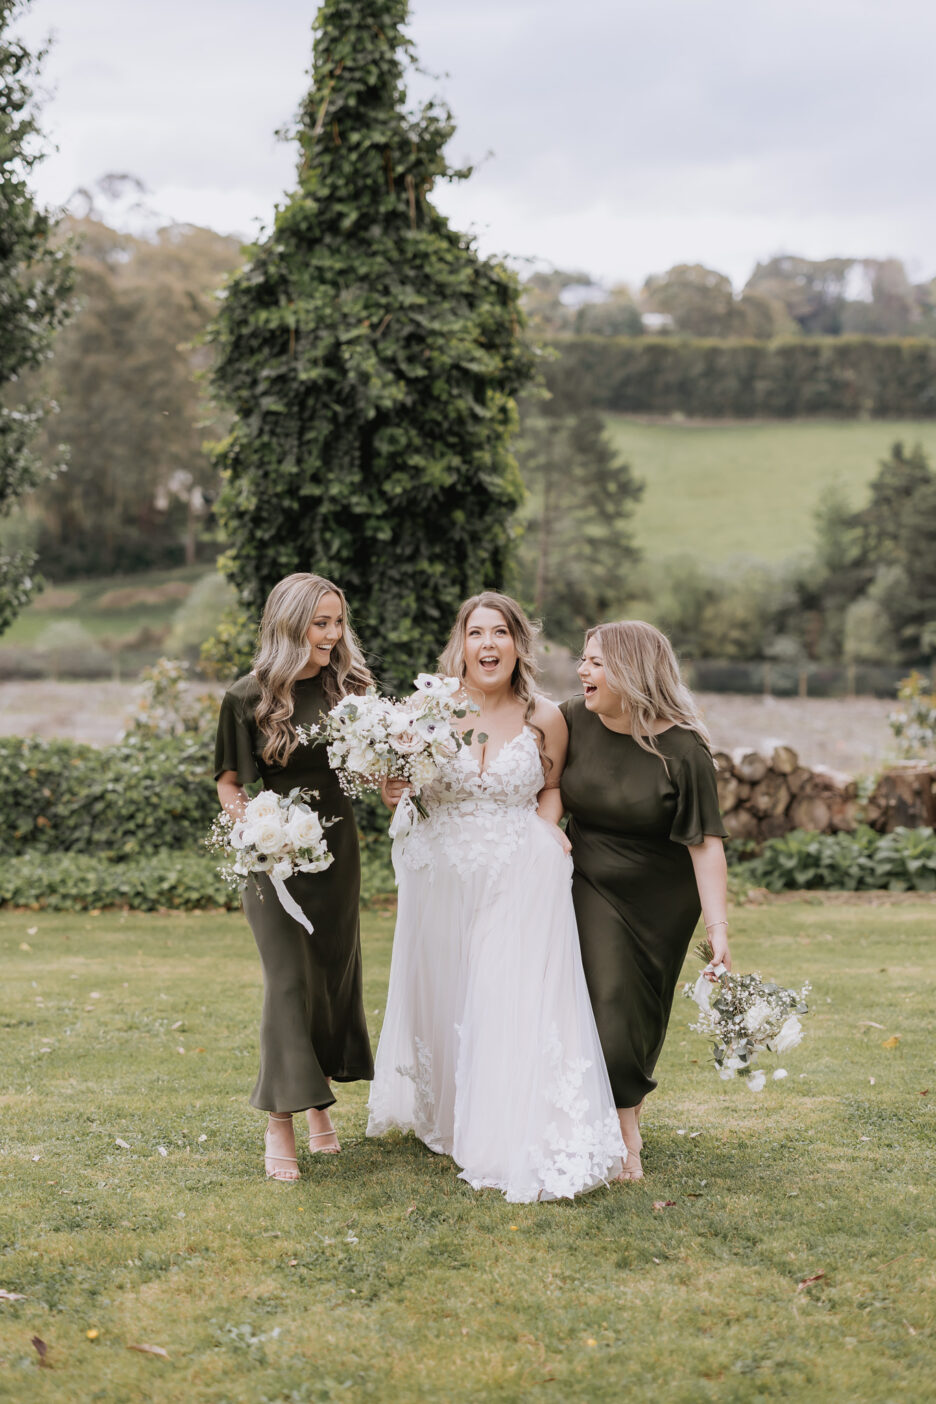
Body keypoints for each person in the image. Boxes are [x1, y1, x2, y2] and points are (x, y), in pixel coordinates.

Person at [367, 592, 625, 1202]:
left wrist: (546, 831)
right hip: (443, 873)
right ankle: (455, 1115)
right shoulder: (426, 710)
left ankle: (506, 1118)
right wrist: (395, 788)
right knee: (448, 990)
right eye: (477, 633)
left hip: (518, 873)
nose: (489, 645)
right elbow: (394, 792)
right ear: (461, 644)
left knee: (503, 990)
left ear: (518, 645)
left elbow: (553, 786)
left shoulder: (546, 716)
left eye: (501, 633)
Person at [214, 573, 375, 1182]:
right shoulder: (245, 697)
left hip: (337, 854)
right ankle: (279, 1123)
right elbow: (230, 783)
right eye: (321, 623)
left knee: (328, 981)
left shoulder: (352, 690)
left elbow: (376, 769)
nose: (333, 635)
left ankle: (317, 1107)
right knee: (287, 982)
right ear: (290, 625)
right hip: (272, 861)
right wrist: (258, 826)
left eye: (338, 622)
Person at [559, 620, 730, 1181]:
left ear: (631, 673)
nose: (583, 672)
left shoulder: (683, 749)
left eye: (596, 663)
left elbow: (706, 846)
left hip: (661, 903)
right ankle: (624, 1136)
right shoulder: (570, 721)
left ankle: (623, 1113)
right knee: (607, 1004)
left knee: (638, 1014)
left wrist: (719, 929)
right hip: (589, 883)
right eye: (583, 661)